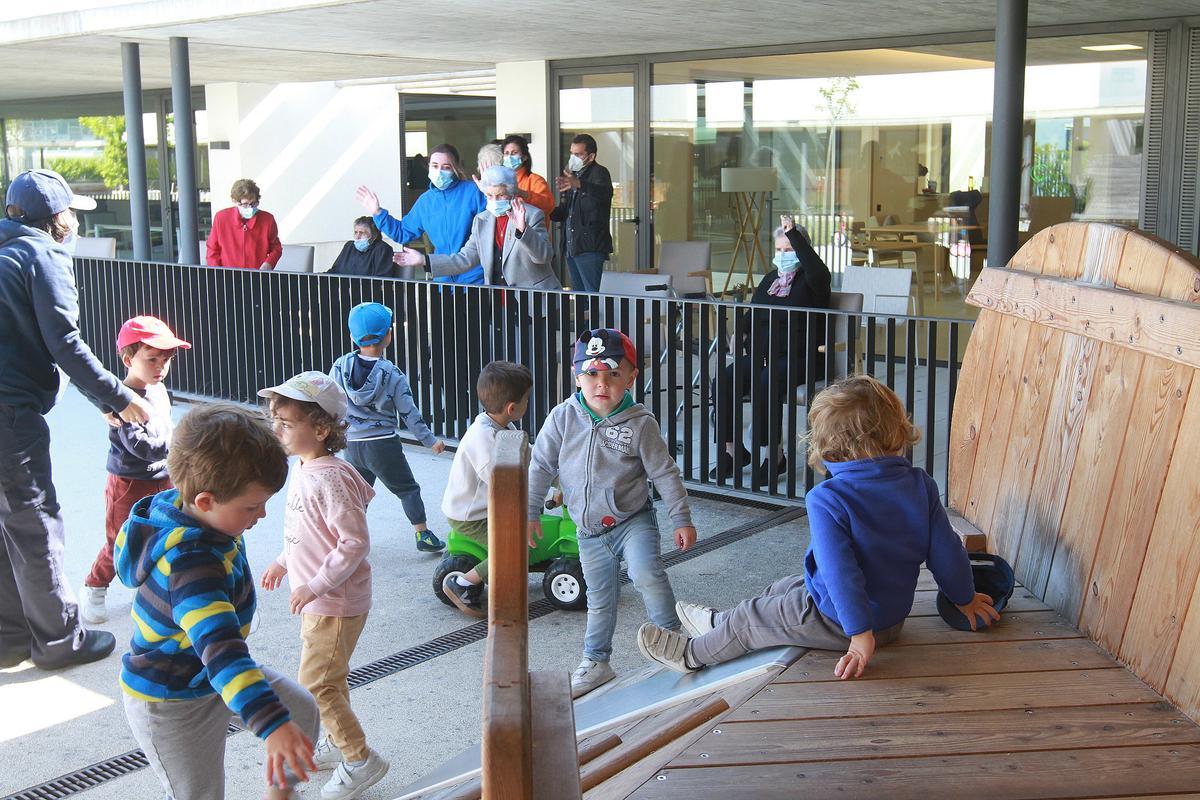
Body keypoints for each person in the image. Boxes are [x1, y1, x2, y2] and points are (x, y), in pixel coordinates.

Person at [638, 375, 1000, 679]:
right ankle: (719, 622)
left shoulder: (828, 498)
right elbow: (947, 552)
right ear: (897, 431)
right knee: (785, 586)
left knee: (750, 621)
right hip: (891, 619)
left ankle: (692, 655)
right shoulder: (920, 485)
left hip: (841, 622)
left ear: (827, 446)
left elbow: (841, 572)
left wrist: (859, 635)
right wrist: (964, 599)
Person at [115, 403, 318, 800]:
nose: (261, 514)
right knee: (200, 794)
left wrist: (277, 721)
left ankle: (281, 796)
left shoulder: (197, 509)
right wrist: (272, 725)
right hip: (170, 702)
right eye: (251, 506)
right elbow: (222, 652)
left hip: (206, 672)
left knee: (300, 709)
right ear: (205, 500)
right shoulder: (191, 566)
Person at [1, 168, 154, 670]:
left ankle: (11, 636)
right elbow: (64, 342)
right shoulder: (40, 254)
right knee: (34, 520)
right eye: (70, 214)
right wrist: (117, 397)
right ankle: (60, 640)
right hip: (9, 412)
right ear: (57, 218)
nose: (73, 223)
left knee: (6, 523)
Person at [527, 328, 697, 698]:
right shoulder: (563, 417)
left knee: (646, 574)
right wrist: (530, 512)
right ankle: (596, 661)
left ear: (632, 377)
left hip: (632, 521)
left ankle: (674, 645)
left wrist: (680, 518)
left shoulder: (640, 423)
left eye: (613, 375)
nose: (601, 384)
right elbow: (540, 464)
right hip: (588, 531)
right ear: (577, 376)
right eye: (591, 375)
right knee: (599, 597)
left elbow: (664, 472)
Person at [258, 373, 390, 800]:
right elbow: (307, 529)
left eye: (286, 421)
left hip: (335, 600)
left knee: (317, 684)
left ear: (321, 428)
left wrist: (314, 584)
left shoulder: (329, 477)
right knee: (330, 677)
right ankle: (336, 740)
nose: (277, 428)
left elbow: (354, 542)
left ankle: (359, 757)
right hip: (320, 598)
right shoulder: (305, 466)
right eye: (275, 419)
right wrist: (284, 561)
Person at [79, 316, 191, 625]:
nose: (161, 367)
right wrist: (180, 440)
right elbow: (143, 448)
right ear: (128, 360)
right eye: (152, 359)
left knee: (162, 532)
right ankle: (94, 586)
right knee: (122, 541)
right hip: (129, 484)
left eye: (166, 359)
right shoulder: (122, 400)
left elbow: (165, 428)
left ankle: (147, 584)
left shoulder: (159, 389)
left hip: (163, 479)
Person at [711, 214, 831, 485]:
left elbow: (818, 270)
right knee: (725, 379)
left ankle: (773, 456)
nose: (783, 254)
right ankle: (732, 452)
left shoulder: (813, 281)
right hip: (763, 356)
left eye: (789, 249)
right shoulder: (770, 280)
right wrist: (739, 331)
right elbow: (753, 312)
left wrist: (794, 235)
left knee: (766, 381)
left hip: (801, 358)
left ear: (802, 249)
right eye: (779, 249)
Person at [329, 302, 447, 553]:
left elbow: (332, 402)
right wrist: (429, 440)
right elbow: (409, 413)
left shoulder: (339, 366)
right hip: (383, 444)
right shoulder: (392, 373)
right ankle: (423, 534)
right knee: (407, 489)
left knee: (357, 495)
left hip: (351, 443)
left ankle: (346, 539)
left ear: (352, 336)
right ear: (388, 336)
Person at [440, 361, 533, 617]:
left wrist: (555, 477)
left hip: (483, 508)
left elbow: (528, 457)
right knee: (514, 549)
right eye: (527, 400)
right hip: (471, 516)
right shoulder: (484, 438)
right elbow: (501, 485)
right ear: (512, 408)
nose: (528, 404)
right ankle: (462, 583)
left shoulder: (502, 425)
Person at [394, 165, 558, 290]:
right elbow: (465, 259)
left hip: (532, 302)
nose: (494, 200)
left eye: (500, 195)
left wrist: (523, 230)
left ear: (512, 194)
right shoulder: (482, 220)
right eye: (489, 195)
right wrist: (424, 260)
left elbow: (543, 257)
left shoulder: (531, 215)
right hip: (498, 302)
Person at [355, 143, 486, 286]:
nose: (439, 171)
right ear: (428, 166)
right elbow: (402, 232)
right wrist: (378, 212)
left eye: (446, 167)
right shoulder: (425, 201)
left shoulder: (473, 192)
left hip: (475, 277)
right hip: (443, 278)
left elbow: (491, 225)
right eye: (435, 166)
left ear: (455, 168)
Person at [551, 133, 613, 293]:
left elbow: (603, 194)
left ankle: (595, 319)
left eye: (578, 154)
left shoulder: (599, 173)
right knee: (579, 294)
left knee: (592, 293)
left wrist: (578, 184)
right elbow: (565, 210)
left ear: (591, 156)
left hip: (590, 246)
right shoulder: (573, 175)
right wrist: (546, 208)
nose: (573, 158)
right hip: (572, 245)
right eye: (572, 154)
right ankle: (583, 319)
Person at [206, 178, 282, 270]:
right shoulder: (221, 218)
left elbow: (276, 248)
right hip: (227, 276)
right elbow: (212, 250)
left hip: (258, 276)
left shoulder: (267, 219)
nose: (250, 208)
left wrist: (268, 264)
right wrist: (217, 273)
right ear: (234, 201)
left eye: (253, 203)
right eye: (245, 204)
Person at [502, 134, 555, 223]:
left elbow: (549, 206)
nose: (509, 157)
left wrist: (522, 193)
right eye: (506, 153)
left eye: (514, 153)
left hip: (533, 234)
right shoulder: (500, 181)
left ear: (525, 157)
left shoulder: (535, 180)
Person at [328, 217, 394, 277]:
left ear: (374, 236)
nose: (357, 236)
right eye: (356, 232)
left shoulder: (382, 249)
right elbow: (335, 271)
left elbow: (382, 279)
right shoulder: (349, 246)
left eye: (362, 233)